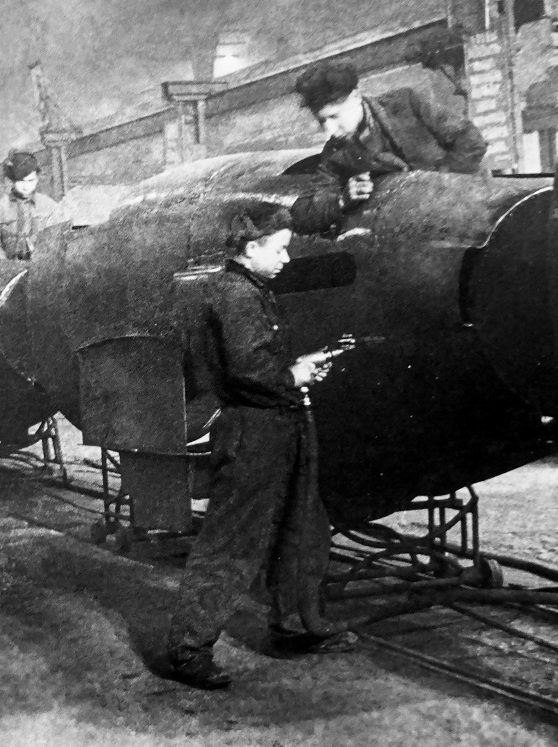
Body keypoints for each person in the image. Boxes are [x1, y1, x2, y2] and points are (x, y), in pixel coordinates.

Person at [161, 203, 347, 691]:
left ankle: (294, 626)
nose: (287, 258)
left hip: (278, 426)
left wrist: (296, 368)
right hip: (253, 431)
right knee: (231, 544)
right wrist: (293, 375)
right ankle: (188, 649)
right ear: (250, 247)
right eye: (279, 249)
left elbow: (258, 361)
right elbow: (248, 370)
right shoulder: (235, 295)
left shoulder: (248, 289)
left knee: (302, 527)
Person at [290, 60, 488, 235]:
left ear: (356, 96)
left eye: (334, 116)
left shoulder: (406, 103)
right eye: (322, 121)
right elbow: (301, 214)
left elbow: (470, 139)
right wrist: (341, 201)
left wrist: (437, 184)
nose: (330, 131)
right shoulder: (334, 154)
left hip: (474, 205)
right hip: (425, 231)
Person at [0, 151, 66, 260]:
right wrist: (8, 264)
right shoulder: (2, 206)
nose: (26, 186)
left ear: (37, 178)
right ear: (12, 181)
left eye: (30, 180)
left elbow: (60, 239)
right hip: (11, 264)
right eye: (20, 181)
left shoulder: (48, 204)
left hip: (44, 263)